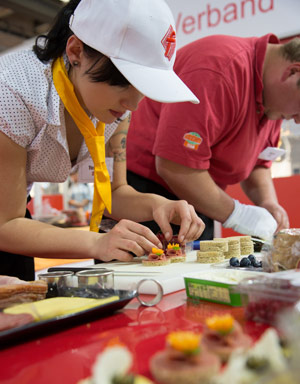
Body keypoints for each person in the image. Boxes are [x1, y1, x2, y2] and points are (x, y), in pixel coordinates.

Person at [0, 0, 205, 281]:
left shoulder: (111, 109)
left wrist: (159, 205)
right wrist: (97, 243)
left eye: (142, 87)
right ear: (75, 52)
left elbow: (115, 195)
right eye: (122, 82)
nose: (132, 104)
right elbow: (6, 224)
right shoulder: (12, 90)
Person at [126, 33, 297, 241]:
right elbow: (175, 165)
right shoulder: (217, 69)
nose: (296, 121)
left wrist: (267, 203)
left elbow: (259, 161)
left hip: (199, 201)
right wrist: (238, 214)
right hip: (146, 194)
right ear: (293, 72)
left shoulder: (275, 100)